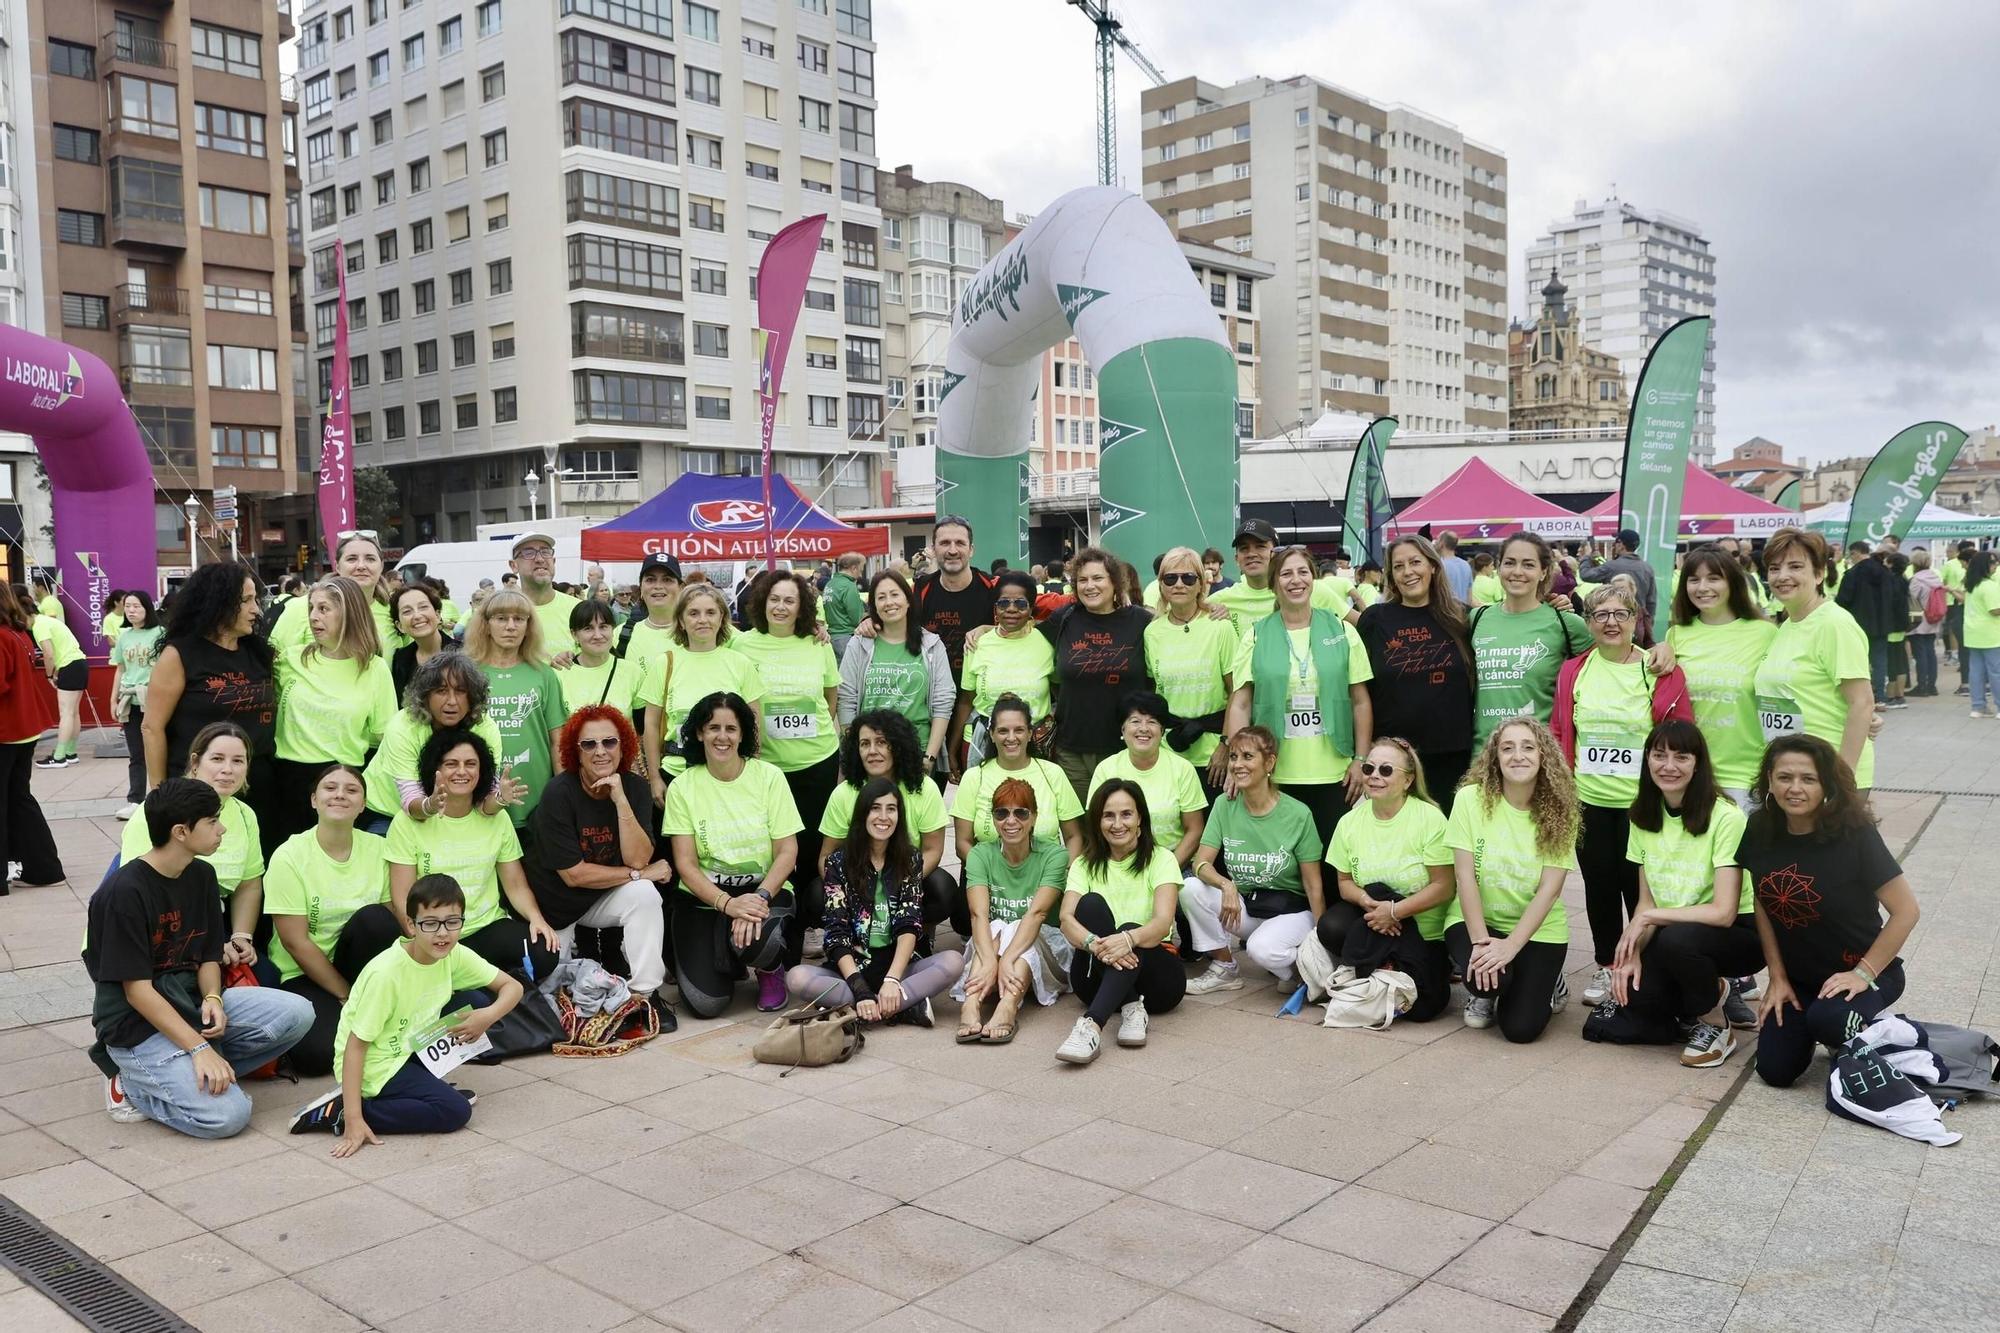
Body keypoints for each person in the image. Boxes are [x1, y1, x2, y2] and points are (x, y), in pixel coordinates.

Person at [83, 779, 313, 1138]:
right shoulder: (124, 893)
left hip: (191, 1003)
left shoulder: (202, 874)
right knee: (228, 1117)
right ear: (180, 832)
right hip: (136, 1025)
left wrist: (213, 998)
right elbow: (136, 992)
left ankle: (197, 1069)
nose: (221, 830)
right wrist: (200, 1047)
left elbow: (208, 955)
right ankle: (132, 1084)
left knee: (299, 1013)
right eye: (212, 822)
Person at [290, 873, 525, 1151]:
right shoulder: (386, 974)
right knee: (456, 1111)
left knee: (474, 1002)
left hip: (407, 1046)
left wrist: (486, 1017)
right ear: (411, 926)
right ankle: (342, 1111)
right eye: (430, 924)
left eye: (452, 922)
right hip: (375, 1064)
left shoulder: (454, 953)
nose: (442, 933)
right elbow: (355, 1047)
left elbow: (512, 987)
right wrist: (354, 1119)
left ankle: (414, 1092)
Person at [1739, 735, 1920, 1088]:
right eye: (1784, 777)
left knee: (1831, 1021)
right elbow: (1762, 900)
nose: (1795, 788)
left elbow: (1907, 911)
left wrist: (1863, 974)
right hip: (1801, 980)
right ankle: (1822, 1024)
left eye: (1809, 779)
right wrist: (1777, 976)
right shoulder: (1760, 827)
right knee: (1774, 1072)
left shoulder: (1855, 834)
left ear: (1827, 784)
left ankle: (1870, 1029)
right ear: (1769, 781)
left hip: (1863, 974)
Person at [1552, 581, 1692, 1005]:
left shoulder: (1659, 668)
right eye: (1601, 615)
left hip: (1641, 804)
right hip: (1589, 801)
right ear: (1589, 622)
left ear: (1636, 620)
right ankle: (1606, 963)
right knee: (1599, 888)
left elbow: (1682, 732)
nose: (1610, 622)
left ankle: (1642, 961)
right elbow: (1561, 730)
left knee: (1642, 889)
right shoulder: (1574, 670)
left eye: (1620, 614)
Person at [1602, 721, 1759, 1067]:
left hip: (1738, 934)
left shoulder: (1726, 817)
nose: (1668, 766)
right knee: (1629, 1008)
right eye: (1659, 755)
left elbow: (1723, 912)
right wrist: (1632, 952)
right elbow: (1647, 901)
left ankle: (1716, 1021)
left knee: (1677, 942)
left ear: (1698, 763)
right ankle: (1699, 1000)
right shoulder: (1642, 814)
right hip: (1676, 928)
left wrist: (1647, 919)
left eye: (1681, 757)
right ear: (1647, 760)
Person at [345, 729, 561, 978]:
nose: (462, 771)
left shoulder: (497, 818)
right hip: (431, 932)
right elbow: (402, 896)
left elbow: (515, 885)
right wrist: (425, 938)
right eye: (451, 764)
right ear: (435, 770)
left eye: (471, 764)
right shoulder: (408, 822)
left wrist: (536, 918)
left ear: (482, 772)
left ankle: (470, 977)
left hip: (483, 927)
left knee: (544, 951)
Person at [529, 707, 675, 1028]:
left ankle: (645, 996)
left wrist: (620, 801)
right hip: (556, 908)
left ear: (623, 746)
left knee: (645, 896)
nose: (600, 752)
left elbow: (637, 858)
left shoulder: (634, 788)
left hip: (600, 895)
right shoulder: (559, 792)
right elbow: (574, 875)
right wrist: (640, 873)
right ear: (575, 752)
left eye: (609, 742)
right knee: (553, 995)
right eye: (589, 745)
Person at [661, 692, 801, 1016]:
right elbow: (686, 864)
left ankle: (769, 969)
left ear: (742, 735)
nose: (722, 736)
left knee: (760, 941)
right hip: (705, 898)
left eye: (731, 729)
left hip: (763, 891)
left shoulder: (769, 778)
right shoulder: (683, 787)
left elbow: (787, 850)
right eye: (713, 728)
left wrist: (760, 897)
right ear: (699, 732)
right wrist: (728, 904)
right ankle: (726, 955)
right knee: (705, 1004)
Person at [785, 777, 964, 1024]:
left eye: (891, 809)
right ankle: (901, 1006)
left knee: (954, 961)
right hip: (852, 969)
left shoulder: (910, 858)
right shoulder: (838, 863)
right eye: (875, 808)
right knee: (796, 977)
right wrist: (859, 988)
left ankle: (869, 1007)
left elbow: (909, 923)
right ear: (862, 814)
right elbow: (836, 935)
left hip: (897, 968)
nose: (883, 817)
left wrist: (892, 979)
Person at [1227, 546, 1374, 841]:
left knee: (1332, 866)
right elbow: (1240, 704)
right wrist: (1237, 763)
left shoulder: (1342, 631)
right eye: (1286, 574)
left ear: (1313, 578)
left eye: (1303, 572)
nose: (1296, 580)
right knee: (1286, 867)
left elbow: (1360, 701)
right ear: (1274, 583)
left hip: (1335, 772)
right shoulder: (1256, 635)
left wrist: (1361, 759)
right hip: (1275, 772)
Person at [1445, 718, 1579, 1042]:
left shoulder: (1563, 809)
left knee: (1520, 1030)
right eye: (1507, 748)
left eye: (1528, 747)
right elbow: (1464, 877)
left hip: (1537, 928)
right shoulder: (1469, 799)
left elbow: (1550, 890)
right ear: (1496, 758)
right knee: (1486, 979)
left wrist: (1511, 946)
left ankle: (1549, 980)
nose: (1518, 755)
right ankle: (1490, 991)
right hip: (1475, 922)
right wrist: (1481, 944)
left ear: (1543, 755)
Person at [730, 569, 841, 944]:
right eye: (774, 599)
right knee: (772, 847)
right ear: (762, 602)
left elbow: (830, 699)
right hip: (767, 766)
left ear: (802, 607)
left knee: (812, 846)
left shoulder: (817, 643)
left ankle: (811, 924)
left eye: (789, 600)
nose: (780, 606)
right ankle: (774, 920)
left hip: (816, 759)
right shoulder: (742, 645)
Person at [142, 563, 281, 857]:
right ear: (218, 602)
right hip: (199, 789)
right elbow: (152, 727)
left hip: (259, 785)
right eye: (246, 600)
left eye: (256, 600)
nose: (256, 609)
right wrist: (157, 790)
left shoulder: (258, 653)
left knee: (255, 869)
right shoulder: (180, 654)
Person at [1313, 737, 1455, 1021]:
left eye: (1386, 770)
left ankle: (1379, 970)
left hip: (1422, 927)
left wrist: (1395, 911)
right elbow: (1344, 883)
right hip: (1374, 919)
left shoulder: (1430, 818)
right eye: (1368, 769)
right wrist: (1368, 902)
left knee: (1426, 1009)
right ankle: (1380, 968)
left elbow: (1445, 887)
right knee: (1331, 926)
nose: (1374, 776)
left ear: (1408, 780)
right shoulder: (1349, 822)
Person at [1182, 726, 1329, 995]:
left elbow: (1313, 886)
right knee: (1190, 888)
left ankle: (1301, 970)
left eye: (1247, 757)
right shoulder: (1224, 805)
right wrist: (1226, 885)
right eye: (1234, 757)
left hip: (1292, 912)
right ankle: (1225, 968)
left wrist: (1322, 941)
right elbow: (1200, 863)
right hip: (1249, 906)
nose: (1238, 765)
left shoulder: (1298, 814)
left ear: (1269, 762)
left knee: (1261, 949)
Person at [266, 763, 392, 1075]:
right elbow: (294, 942)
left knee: (375, 919)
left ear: (363, 805)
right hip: (304, 970)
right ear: (313, 799)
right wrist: (346, 995)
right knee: (318, 1058)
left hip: (360, 964)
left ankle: (378, 1009)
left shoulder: (380, 848)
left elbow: (393, 919)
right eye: (330, 788)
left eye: (351, 790)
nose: (340, 795)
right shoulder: (289, 855)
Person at [117, 722, 267, 977]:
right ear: (195, 762)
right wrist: (207, 946)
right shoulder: (161, 808)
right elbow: (142, 888)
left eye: (238, 761)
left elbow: (249, 883)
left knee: (266, 975)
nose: (228, 770)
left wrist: (242, 937)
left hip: (211, 926)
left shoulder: (244, 814)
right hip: (157, 932)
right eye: (218, 759)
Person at [1053, 781, 1185, 1064]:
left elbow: (1163, 922)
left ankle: (1091, 1026)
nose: (1117, 824)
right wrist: (1094, 944)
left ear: (1140, 819)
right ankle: (1129, 1007)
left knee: (1129, 930)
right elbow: (1065, 918)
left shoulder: (1162, 859)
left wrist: (1128, 939)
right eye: (1108, 815)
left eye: (1126, 814)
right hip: (1092, 979)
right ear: (1098, 820)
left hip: (1158, 982)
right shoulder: (1084, 864)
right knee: (1089, 905)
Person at [272, 576, 397, 840]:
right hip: (287, 783)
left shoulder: (374, 669)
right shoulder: (290, 659)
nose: (314, 617)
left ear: (349, 613)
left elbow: (384, 737)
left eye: (324, 609)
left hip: (343, 784)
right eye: (311, 609)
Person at [1355, 536, 1473, 813]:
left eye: (1415, 562)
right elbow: (1359, 689)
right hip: (1393, 761)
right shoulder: (1375, 620)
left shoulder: (1462, 618)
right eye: (1399, 566)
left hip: (1453, 756)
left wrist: (1562, 604)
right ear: (1391, 576)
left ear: (1433, 566)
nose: (1408, 571)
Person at [820, 710, 962, 936]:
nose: (872, 751)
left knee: (942, 889)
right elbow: (826, 856)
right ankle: (850, 938)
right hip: (859, 878)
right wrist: (853, 889)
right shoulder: (844, 794)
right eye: (864, 744)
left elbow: (933, 850)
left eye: (882, 743)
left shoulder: (924, 788)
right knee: (816, 894)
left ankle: (918, 934)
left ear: (898, 745)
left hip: (906, 873)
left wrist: (900, 886)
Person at [1755, 528, 1876, 791]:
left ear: (1819, 573)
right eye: (1774, 568)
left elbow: (1862, 703)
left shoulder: (1834, 624)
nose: (1782, 576)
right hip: (1793, 774)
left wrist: (1840, 780)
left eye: (1795, 566)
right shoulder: (1788, 625)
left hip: (1828, 774)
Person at [953, 777, 1072, 1043]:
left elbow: (1037, 914)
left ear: (1034, 817)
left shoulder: (1055, 855)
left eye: (1021, 812)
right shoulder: (980, 854)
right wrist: (991, 960)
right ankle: (971, 1004)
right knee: (997, 925)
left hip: (1045, 947)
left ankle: (1008, 1005)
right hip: (992, 947)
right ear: (993, 818)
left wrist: (1004, 959)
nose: (1011, 821)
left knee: (1017, 924)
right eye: (1001, 813)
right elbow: (978, 915)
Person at [1038, 547, 1155, 802]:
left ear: (1114, 581)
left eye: (1098, 578)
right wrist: (983, 629)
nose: (1090, 586)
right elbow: (1022, 637)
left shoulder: (1141, 621)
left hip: (1125, 748)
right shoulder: (1064, 619)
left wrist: (1210, 609)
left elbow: (1176, 627)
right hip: (1072, 750)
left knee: (1122, 827)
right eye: (1082, 580)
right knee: (1078, 831)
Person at [1666, 547, 1777, 807]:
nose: (1703, 587)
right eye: (1694, 579)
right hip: (1689, 773)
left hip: (1746, 775)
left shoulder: (1764, 633)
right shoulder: (1676, 635)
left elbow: (1791, 689)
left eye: (1713, 578)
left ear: (1732, 582)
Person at [637, 583, 764, 798]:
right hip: (676, 774)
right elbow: (650, 724)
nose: (702, 620)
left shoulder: (740, 663)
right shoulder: (665, 663)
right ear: (681, 621)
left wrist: (752, 769)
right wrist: (655, 777)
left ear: (722, 618)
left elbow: (754, 722)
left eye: (710, 613)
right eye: (693, 613)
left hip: (728, 775)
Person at [364, 652, 514, 829]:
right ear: (425, 696)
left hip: (451, 813)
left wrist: (500, 798)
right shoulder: (402, 727)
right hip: (387, 812)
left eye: (460, 691)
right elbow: (411, 798)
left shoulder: (485, 728)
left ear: (473, 696)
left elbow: (484, 801)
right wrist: (431, 805)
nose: (451, 701)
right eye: (441, 691)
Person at [1469, 533, 1590, 752]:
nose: (1517, 572)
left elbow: (1615, 657)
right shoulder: (1476, 619)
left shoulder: (1566, 622)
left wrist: (1661, 650)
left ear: (1543, 572)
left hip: (1539, 756)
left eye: (1528, 564)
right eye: (1509, 563)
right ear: (1498, 567)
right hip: (1483, 755)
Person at [462, 588, 570, 829]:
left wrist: (564, 793)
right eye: (501, 618)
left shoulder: (544, 675)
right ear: (486, 625)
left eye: (519, 619)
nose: (511, 626)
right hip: (479, 799)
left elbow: (558, 741)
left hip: (537, 802)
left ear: (528, 626)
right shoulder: (467, 674)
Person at [838, 569, 955, 771]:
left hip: (917, 752)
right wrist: (856, 751)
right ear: (873, 605)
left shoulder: (931, 645)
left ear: (908, 600)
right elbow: (846, 699)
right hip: (871, 756)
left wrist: (929, 757)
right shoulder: (859, 644)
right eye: (881, 597)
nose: (889, 602)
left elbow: (943, 701)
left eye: (895, 594)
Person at [1144, 546, 1238, 794]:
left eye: (1188, 577)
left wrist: (1226, 746)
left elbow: (1237, 693)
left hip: (1213, 755)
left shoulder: (1220, 627)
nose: (1179, 584)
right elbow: (1155, 691)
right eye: (1170, 578)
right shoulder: (1152, 632)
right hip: (1169, 751)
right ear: (1161, 584)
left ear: (1200, 584)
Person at [952, 694, 1083, 861]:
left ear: (1029, 733)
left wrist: (1058, 874)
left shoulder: (1053, 773)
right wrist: (986, 874)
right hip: (990, 878)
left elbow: (1074, 838)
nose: (1011, 738)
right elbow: (962, 843)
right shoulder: (974, 777)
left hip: (1048, 877)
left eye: (1019, 730)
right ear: (991, 735)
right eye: (1003, 731)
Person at [1087, 693, 1207, 870]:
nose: (1143, 728)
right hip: (1118, 864)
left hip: (1174, 864)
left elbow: (1195, 830)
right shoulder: (1106, 769)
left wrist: (1166, 871)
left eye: (1152, 722)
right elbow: (1096, 826)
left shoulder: (1182, 769)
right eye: (1135, 721)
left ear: (1162, 730)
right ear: (1122, 729)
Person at [913, 514, 998, 753]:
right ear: (933, 549)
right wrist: (868, 621)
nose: (952, 550)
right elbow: (891, 616)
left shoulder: (993, 588)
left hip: (979, 709)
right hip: (929, 706)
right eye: (944, 543)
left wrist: (988, 628)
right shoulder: (920, 589)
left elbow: (1028, 621)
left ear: (971, 550)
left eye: (960, 543)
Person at [958, 569, 1056, 767]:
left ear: (1031, 608)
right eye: (1003, 603)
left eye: (1020, 603)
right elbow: (966, 701)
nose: (1011, 609)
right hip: (982, 743)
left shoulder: (1048, 643)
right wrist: (953, 749)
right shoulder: (977, 643)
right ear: (995, 607)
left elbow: (1061, 693)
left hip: (1035, 744)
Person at [0, 585, 62, 892]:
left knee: (11, 800)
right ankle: (45, 867)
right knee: (19, 799)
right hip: (23, 728)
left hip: (5, 729)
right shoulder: (18, 632)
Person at [269, 532, 400, 654]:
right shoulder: (300, 607)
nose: (361, 566)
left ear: (381, 566)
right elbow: (277, 662)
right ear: (337, 566)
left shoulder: (394, 611)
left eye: (370, 559)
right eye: (352, 559)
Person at [110, 591, 165, 820]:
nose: (131, 610)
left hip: (154, 699)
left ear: (147, 608)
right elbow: (120, 668)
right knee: (136, 753)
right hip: (130, 699)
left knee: (159, 748)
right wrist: (113, 698)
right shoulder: (123, 635)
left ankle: (162, 795)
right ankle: (135, 800)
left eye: (137, 606)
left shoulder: (161, 633)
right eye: (128, 606)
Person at [1835, 540, 1901, 706]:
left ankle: (1861, 698)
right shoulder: (1885, 572)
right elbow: (1894, 598)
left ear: (1856, 553)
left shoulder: (1852, 574)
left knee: (1858, 662)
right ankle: (1880, 698)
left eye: (1851, 555)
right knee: (1880, 660)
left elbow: (1842, 601)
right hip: (1882, 624)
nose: (1850, 559)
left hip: (1857, 625)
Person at [26, 591, 87, 769]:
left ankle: (59, 757)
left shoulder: (39, 626)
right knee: (73, 712)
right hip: (79, 664)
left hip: (68, 666)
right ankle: (70, 752)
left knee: (66, 713)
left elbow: (49, 654)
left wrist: (49, 674)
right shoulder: (47, 620)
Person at [559, 600, 645, 722]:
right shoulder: (558, 674)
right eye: (588, 628)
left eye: (603, 627)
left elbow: (642, 729)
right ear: (574, 634)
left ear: (612, 629)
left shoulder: (633, 673)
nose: (598, 635)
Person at [508, 532, 581, 657]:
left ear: (553, 561)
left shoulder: (579, 609)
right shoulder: (501, 613)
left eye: (545, 552)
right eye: (528, 553)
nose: (540, 559)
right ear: (514, 565)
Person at [1579, 528, 1659, 627]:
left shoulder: (1611, 566)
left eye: (1616, 542)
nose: (1614, 545)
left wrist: (1586, 556)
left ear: (1621, 544)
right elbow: (1651, 601)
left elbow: (1586, 575)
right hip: (1639, 623)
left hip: (1615, 621)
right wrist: (1648, 625)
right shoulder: (1647, 568)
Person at [388, 582, 450, 700]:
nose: (417, 616)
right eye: (407, 611)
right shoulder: (400, 659)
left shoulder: (464, 652)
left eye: (423, 607)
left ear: (437, 615)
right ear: (400, 625)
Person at [1963, 549, 2000, 718]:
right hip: (1991, 634)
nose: (1995, 565)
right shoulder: (1989, 585)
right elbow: (1995, 610)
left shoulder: (1971, 584)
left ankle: (1978, 706)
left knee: (1976, 671)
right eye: (1992, 562)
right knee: (1996, 672)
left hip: (1973, 633)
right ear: (1985, 565)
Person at [1906, 547, 1943, 698]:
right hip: (1933, 618)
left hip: (1919, 619)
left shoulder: (1916, 580)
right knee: (1930, 652)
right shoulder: (1935, 577)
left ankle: (1922, 686)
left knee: (1920, 653)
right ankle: (1932, 685)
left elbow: (1911, 598)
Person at [823, 552, 866, 662]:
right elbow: (857, 618)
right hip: (846, 637)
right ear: (853, 568)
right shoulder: (849, 586)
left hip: (831, 636)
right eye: (860, 570)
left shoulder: (830, 584)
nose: (861, 575)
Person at [1435, 531, 1475, 604]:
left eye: (1437, 539)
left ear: (1442, 543)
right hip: (1462, 611)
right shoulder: (1466, 564)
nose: (1435, 542)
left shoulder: (1439, 565)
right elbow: (1469, 595)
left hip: (1445, 611)